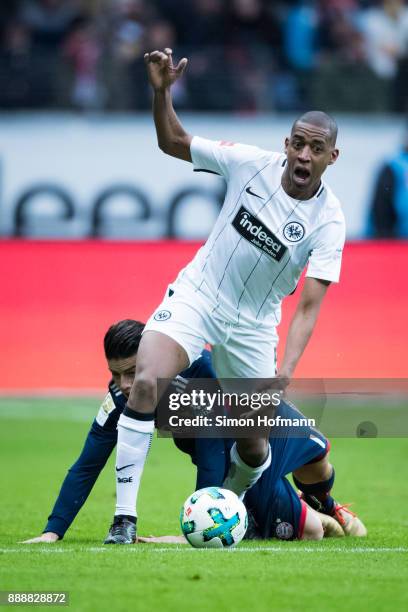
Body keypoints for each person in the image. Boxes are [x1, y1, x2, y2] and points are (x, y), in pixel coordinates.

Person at [112, 47, 346, 527]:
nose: (304, 155)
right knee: (146, 385)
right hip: (198, 294)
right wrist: (162, 93)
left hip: (254, 327)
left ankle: (227, 509)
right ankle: (123, 519)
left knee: (254, 443)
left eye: (315, 148)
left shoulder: (330, 220)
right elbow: (172, 141)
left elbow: (308, 306)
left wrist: (284, 372)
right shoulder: (249, 163)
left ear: (331, 157)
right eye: (298, 143)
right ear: (286, 143)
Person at [21, 320, 365, 545]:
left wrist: (189, 535)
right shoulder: (120, 395)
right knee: (311, 533)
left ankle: (328, 505)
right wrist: (53, 531)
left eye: (132, 372)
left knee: (317, 461)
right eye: (115, 374)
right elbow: (87, 463)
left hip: (265, 429)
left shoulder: (200, 375)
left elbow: (211, 455)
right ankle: (323, 517)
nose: (125, 385)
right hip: (235, 458)